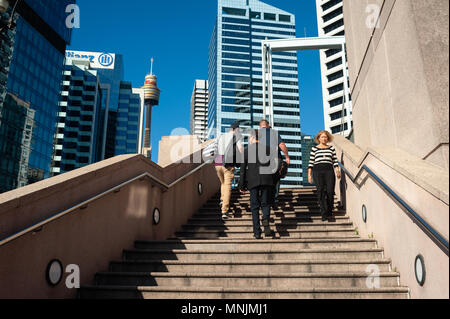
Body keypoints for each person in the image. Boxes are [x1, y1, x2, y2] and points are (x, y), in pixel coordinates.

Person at [239, 129, 277, 239]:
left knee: (254, 206)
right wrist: (272, 182)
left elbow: (242, 169)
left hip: (252, 180)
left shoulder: (246, 151)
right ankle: (265, 218)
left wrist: (241, 185)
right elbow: (273, 166)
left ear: (251, 137)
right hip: (267, 179)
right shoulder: (268, 149)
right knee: (265, 203)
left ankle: (257, 232)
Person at [308, 130, 341, 221]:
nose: (324, 138)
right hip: (317, 171)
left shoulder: (331, 148)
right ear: (318, 138)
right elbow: (311, 163)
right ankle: (323, 213)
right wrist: (309, 175)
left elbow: (334, 161)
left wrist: (337, 171)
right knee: (321, 192)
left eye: (325, 137)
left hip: (329, 170)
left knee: (330, 191)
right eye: (322, 137)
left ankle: (329, 211)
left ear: (328, 138)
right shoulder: (314, 149)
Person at [215, 122, 244, 219]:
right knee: (228, 186)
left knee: (223, 182)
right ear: (236, 129)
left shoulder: (221, 136)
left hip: (218, 161)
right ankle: (224, 210)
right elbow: (240, 149)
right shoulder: (236, 137)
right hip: (228, 162)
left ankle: (222, 199)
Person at [258, 120, 290, 206]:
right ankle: (274, 199)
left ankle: (263, 199)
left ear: (260, 127)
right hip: (275, 159)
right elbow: (282, 145)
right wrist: (287, 156)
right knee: (276, 179)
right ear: (268, 126)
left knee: (263, 179)